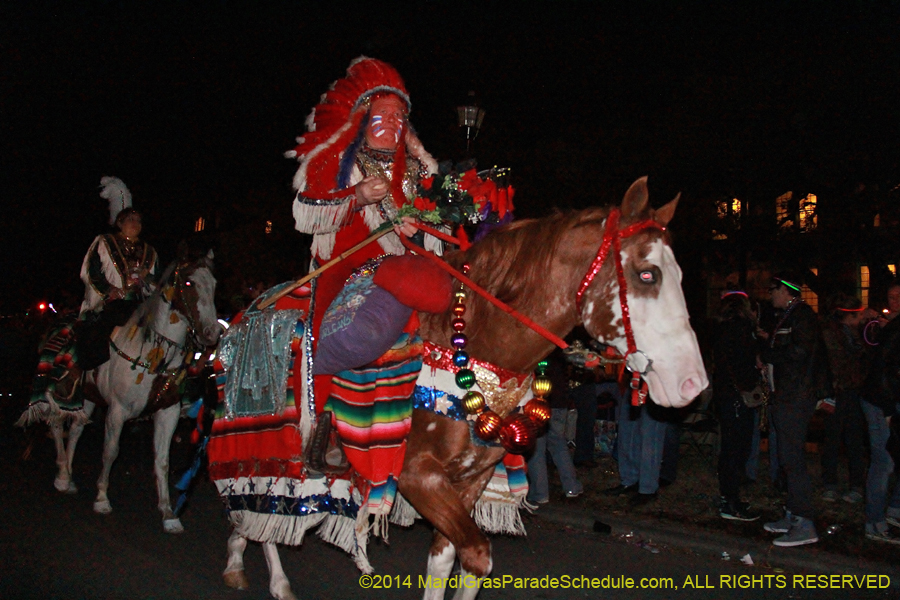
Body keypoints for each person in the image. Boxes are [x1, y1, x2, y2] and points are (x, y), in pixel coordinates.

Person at [287, 57, 445, 400]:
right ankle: (316, 397)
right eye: (382, 114)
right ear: (361, 120)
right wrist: (356, 196)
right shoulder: (337, 161)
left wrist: (419, 228)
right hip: (347, 264)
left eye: (398, 117)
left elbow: (436, 229)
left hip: (411, 269)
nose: (391, 122)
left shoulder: (418, 172)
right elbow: (305, 213)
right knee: (332, 331)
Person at [760, 273, 829, 547]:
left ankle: (805, 522)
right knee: (786, 457)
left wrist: (767, 353)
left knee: (793, 458)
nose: (769, 294)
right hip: (786, 395)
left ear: (786, 291)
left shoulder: (802, 317)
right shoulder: (790, 315)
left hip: (795, 397)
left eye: (772, 290)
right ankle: (793, 514)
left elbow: (799, 354)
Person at [76, 177, 159, 371]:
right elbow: (91, 271)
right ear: (120, 222)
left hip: (141, 304)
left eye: (138, 220)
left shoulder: (149, 251)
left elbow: (158, 280)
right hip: (112, 303)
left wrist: (146, 278)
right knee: (97, 332)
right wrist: (110, 291)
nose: (135, 223)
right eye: (130, 219)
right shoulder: (104, 242)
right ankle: (87, 374)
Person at [712, 290, 762, 521]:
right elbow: (740, 362)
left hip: (727, 393)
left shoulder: (723, 328)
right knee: (736, 448)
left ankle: (729, 497)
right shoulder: (740, 329)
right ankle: (730, 501)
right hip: (736, 395)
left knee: (731, 448)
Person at [819, 293, 868, 504]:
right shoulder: (830, 333)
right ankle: (830, 483)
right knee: (832, 438)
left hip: (854, 391)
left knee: (855, 439)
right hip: (837, 391)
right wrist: (828, 395)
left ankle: (856, 484)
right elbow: (835, 364)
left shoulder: (858, 332)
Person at [861, 282, 900, 544]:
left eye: (898, 297)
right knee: (883, 461)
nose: (894, 301)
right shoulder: (891, 330)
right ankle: (874, 522)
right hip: (880, 400)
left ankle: (894, 510)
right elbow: (881, 371)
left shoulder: (893, 327)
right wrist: (888, 410)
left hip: (890, 397)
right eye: (891, 297)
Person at [525, 347, 583, 508]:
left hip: (542, 406)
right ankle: (572, 487)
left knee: (537, 449)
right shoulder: (560, 353)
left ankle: (540, 493)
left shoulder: (539, 353)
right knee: (558, 445)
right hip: (559, 404)